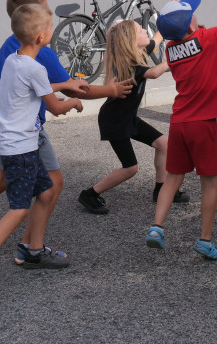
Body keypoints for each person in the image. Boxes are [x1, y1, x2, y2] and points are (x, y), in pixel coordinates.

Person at [0, 0, 131, 264]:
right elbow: (72, 94)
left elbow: (46, 86)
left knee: (5, 177)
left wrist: (64, 86)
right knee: (52, 184)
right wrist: (110, 91)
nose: (51, 13)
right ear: (37, 27)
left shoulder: (12, 45)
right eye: (47, 11)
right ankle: (31, 248)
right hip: (24, 132)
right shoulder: (43, 56)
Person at [0, 4, 84, 302]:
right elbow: (54, 107)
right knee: (19, 208)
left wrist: (61, 89)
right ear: (41, 36)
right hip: (21, 149)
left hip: (13, 143)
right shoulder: (36, 68)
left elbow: (37, 91)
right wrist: (73, 103)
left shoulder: (13, 61)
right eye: (51, 27)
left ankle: (34, 251)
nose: (53, 31)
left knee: (47, 189)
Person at [146, 0, 217, 259]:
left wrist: (185, 22)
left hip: (179, 122)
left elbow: (182, 36)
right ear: (190, 26)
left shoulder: (170, 48)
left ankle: (157, 227)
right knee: (210, 183)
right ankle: (205, 239)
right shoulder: (207, 38)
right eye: (191, 13)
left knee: (173, 178)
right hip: (203, 125)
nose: (195, 14)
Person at [78, 19, 186, 215]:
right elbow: (153, 73)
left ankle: (160, 189)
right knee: (131, 168)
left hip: (126, 117)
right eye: (140, 29)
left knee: (164, 144)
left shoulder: (138, 51)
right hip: (115, 121)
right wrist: (176, 57)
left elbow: (158, 37)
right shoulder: (129, 62)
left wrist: (173, 16)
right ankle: (90, 194)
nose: (145, 30)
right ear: (130, 41)